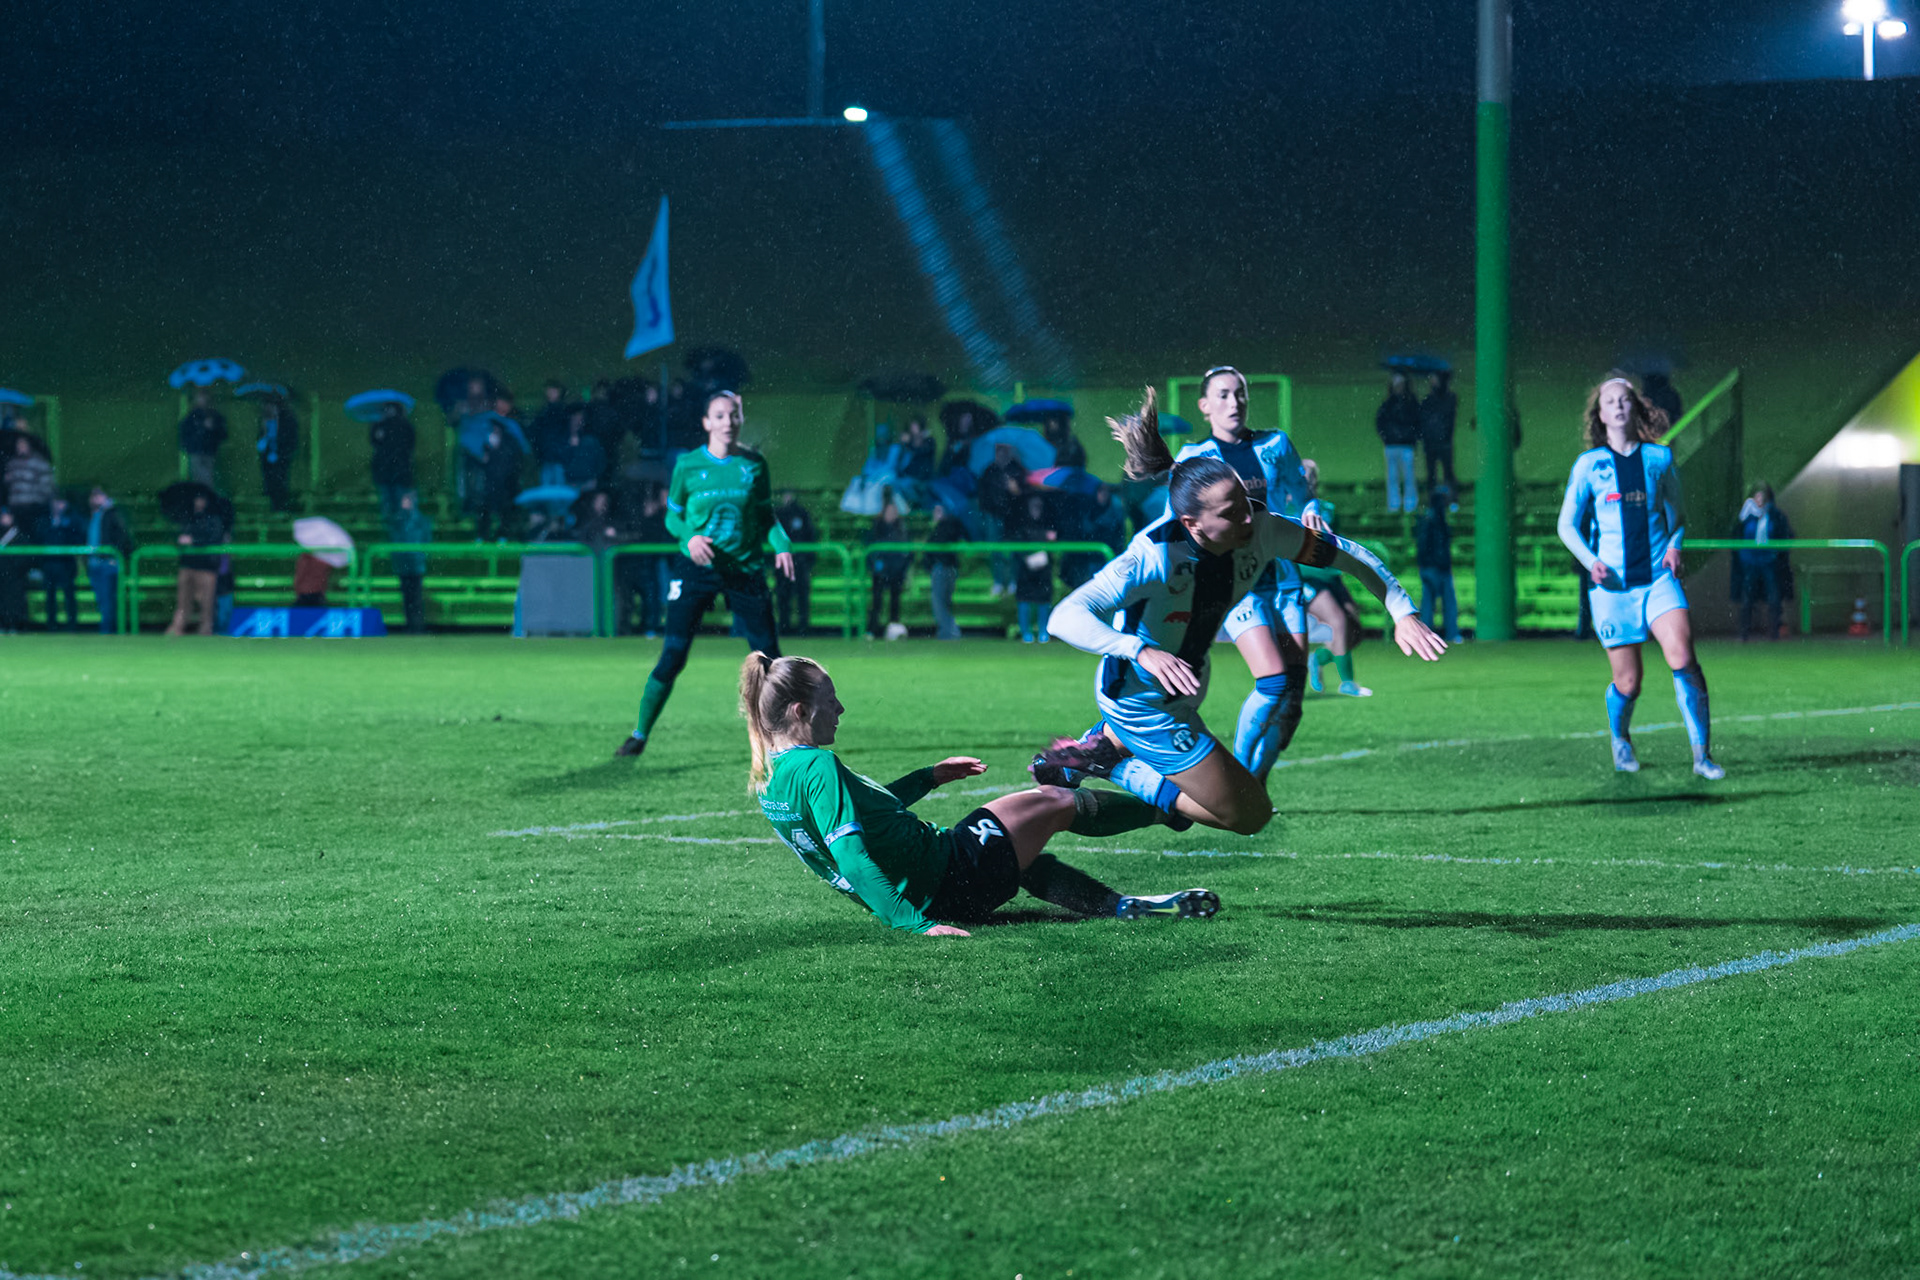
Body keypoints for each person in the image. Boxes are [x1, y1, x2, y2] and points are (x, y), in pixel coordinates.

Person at [1036, 388, 1445, 835]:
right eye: (1232, 513)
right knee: (1249, 815)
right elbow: (1065, 616)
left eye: (1245, 503)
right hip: (1140, 703)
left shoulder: (1261, 529)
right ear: (1192, 523)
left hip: (1186, 685)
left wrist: (1403, 611)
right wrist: (1138, 650)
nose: (1248, 519)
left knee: (1226, 798)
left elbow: (1348, 556)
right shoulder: (1152, 557)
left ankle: (1103, 753)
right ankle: (1112, 767)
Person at [740, 652, 1219, 934]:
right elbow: (850, 855)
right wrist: (915, 924)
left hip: (935, 884)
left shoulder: (770, 776)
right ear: (800, 710)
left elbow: (860, 818)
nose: (840, 708)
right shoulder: (817, 764)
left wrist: (927, 777)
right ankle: (1170, 807)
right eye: (829, 700)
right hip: (947, 873)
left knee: (1023, 859)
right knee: (1053, 801)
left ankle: (1122, 906)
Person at [1556, 374, 1722, 779]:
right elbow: (1566, 526)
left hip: (1657, 581)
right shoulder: (1589, 466)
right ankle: (1620, 738)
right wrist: (1589, 559)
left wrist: (1675, 544)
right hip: (1612, 589)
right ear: (1600, 414)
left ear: (1636, 408)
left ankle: (1702, 756)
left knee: (1682, 655)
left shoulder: (1659, 459)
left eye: (1624, 400)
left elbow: (1678, 517)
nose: (1617, 406)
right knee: (1629, 682)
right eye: (1609, 401)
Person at [614, 391, 796, 758]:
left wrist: (782, 543)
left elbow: (765, 516)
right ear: (706, 423)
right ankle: (639, 734)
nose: (727, 422)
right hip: (696, 569)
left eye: (733, 415)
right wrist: (690, 536)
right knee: (674, 655)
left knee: (769, 661)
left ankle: (785, 741)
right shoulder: (688, 465)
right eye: (719, 415)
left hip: (744, 569)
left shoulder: (754, 464)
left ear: (740, 419)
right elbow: (672, 515)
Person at [1174, 366, 1324, 780]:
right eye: (1222, 395)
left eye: (1239, 394)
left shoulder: (1276, 444)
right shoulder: (1193, 458)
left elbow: (1302, 493)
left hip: (1285, 580)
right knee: (1273, 681)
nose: (1233, 402)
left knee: (1293, 698)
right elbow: (1177, 521)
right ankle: (1238, 778)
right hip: (1237, 586)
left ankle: (1255, 784)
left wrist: (1311, 509)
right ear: (1204, 406)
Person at [1298, 460, 1371, 698]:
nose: (1308, 479)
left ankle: (1318, 658)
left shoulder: (1327, 508)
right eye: (1303, 474)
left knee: (1355, 628)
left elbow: (1335, 544)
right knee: (1337, 621)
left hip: (1331, 576)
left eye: (1311, 475)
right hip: (1308, 578)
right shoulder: (1288, 507)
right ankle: (1348, 683)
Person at [1732, 482, 1794, 642]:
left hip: (1769, 562)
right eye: (1757, 496)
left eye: (1762, 496)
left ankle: (1774, 633)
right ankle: (1744, 634)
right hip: (1750, 563)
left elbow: (1786, 534)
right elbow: (1736, 535)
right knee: (1747, 599)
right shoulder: (1746, 516)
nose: (1759, 500)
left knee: (1774, 598)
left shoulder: (1774, 515)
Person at [165, 492, 223, 636]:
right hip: (187, 565)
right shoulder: (187, 518)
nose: (199, 502)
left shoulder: (213, 520)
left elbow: (215, 538)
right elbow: (177, 538)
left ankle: (205, 631)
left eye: (202, 498)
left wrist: (194, 541)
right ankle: (178, 628)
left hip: (206, 567)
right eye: (197, 498)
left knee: (207, 604)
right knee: (183, 602)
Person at [1414, 487, 1461, 643]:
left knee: (1429, 603)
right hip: (1436, 568)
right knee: (1445, 602)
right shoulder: (1435, 520)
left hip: (1432, 567)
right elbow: (1430, 545)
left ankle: (1427, 635)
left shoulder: (1429, 519)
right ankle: (1450, 634)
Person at [84, 485, 133, 635]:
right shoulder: (94, 514)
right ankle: (107, 632)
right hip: (95, 564)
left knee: (108, 602)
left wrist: (113, 556)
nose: (95, 498)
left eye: (99, 494)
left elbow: (125, 537)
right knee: (102, 602)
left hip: (107, 564)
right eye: (93, 495)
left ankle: (109, 634)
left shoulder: (113, 513)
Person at [1009, 491, 1056, 643]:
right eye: (1033, 506)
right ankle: (1026, 632)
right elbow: (1017, 548)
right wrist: (1028, 559)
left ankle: (1043, 631)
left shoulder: (1048, 523)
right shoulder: (1021, 525)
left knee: (1044, 599)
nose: (1036, 509)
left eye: (1039, 506)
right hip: (1025, 569)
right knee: (1024, 599)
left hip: (1043, 570)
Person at [387, 489, 433, 634]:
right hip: (403, 563)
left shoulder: (420, 520)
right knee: (407, 597)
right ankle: (410, 625)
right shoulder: (398, 520)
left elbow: (425, 538)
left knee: (416, 597)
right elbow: (394, 538)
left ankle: (418, 626)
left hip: (416, 563)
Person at [1375, 374, 1422, 514]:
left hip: (1405, 445)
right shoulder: (1388, 404)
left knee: (1408, 476)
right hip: (1393, 445)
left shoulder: (1409, 403)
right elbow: (1380, 423)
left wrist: (1410, 437)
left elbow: (1417, 423)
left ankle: (1409, 504)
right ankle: (1394, 504)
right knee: (1393, 476)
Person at [773, 490, 818, 636]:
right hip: (786, 562)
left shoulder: (801, 513)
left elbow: (810, 535)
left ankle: (801, 627)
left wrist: (807, 559)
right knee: (784, 596)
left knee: (800, 595)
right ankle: (787, 627)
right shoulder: (778, 514)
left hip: (798, 562)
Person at [866, 499, 910, 639]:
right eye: (889, 511)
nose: (891, 514)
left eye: (894, 511)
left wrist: (902, 567)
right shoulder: (876, 528)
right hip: (880, 571)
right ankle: (872, 630)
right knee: (877, 602)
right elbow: (869, 549)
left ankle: (893, 630)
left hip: (896, 572)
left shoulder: (901, 529)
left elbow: (907, 551)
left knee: (895, 602)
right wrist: (875, 565)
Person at [39, 494, 83, 630]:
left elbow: (78, 538)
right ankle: (51, 626)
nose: (59, 505)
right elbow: (40, 538)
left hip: (66, 564)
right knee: (50, 597)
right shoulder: (44, 520)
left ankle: (72, 626)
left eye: (61, 502)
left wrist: (63, 527)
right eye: (56, 502)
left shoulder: (73, 520)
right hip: (49, 564)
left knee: (69, 596)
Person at [926, 502, 969, 640]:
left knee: (939, 602)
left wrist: (936, 526)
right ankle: (947, 631)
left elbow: (937, 544)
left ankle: (950, 631)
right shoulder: (950, 524)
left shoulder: (948, 524)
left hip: (943, 567)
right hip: (945, 567)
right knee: (943, 602)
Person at [369, 400, 416, 522]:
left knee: (401, 505)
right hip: (388, 472)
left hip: (400, 472)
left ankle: (401, 528)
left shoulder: (404, 426)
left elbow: (410, 444)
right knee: (388, 503)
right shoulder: (379, 425)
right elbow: (374, 441)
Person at [1419, 372, 1458, 508]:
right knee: (1435, 473)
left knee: (1445, 472)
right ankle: (1440, 500)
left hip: (1440, 442)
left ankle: (1449, 500)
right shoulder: (1433, 400)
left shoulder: (1445, 399)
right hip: (1435, 442)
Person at [177, 390, 228, 489]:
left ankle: (206, 499)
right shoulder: (192, 416)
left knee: (207, 477)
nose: (203, 401)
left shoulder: (214, 416)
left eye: (205, 398)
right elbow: (185, 432)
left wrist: (212, 428)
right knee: (200, 477)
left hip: (208, 451)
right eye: (200, 398)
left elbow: (223, 434)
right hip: (197, 451)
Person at [4, 435, 54, 535]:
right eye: (18, 444)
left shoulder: (40, 463)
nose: (20, 447)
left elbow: (47, 487)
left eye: (23, 444)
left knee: (35, 536)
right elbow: (8, 487)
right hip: (16, 509)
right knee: (18, 537)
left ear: (30, 445)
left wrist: (36, 498)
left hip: (34, 508)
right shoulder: (12, 464)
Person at [256, 398, 299, 513]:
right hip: (268, 459)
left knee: (281, 482)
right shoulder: (264, 422)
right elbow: (260, 443)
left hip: (281, 458)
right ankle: (273, 507)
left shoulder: (286, 421)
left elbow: (291, 439)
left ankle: (280, 507)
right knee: (270, 483)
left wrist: (283, 454)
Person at [532, 381, 572, 489]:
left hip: (557, 457)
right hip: (548, 457)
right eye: (549, 390)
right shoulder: (544, 412)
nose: (550, 393)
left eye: (553, 390)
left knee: (557, 489)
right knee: (549, 489)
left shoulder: (563, 411)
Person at [0, 509, 26, 632]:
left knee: (15, 600)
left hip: (15, 575)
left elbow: (24, 557)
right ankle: (3, 624)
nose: (5, 519)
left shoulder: (17, 534)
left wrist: (15, 568)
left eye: (7, 516)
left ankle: (15, 625)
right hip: (2, 575)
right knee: (3, 601)